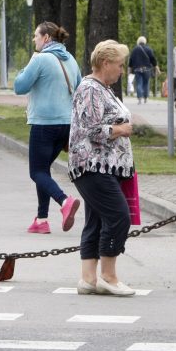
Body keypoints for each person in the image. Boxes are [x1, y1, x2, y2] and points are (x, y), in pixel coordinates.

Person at [68, 39, 136, 297]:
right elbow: (92, 129)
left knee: (96, 220)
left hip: (104, 166)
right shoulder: (90, 89)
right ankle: (108, 276)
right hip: (93, 164)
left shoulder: (102, 88)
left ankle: (88, 278)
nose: (122, 71)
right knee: (118, 217)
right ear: (105, 63)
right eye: (119, 65)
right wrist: (121, 129)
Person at [14, 21, 83, 234]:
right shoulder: (71, 59)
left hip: (44, 124)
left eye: (36, 35)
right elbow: (79, 89)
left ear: (46, 38)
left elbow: (19, 86)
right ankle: (41, 220)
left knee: (37, 172)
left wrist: (30, 63)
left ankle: (64, 202)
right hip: (66, 125)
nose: (34, 39)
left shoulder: (41, 58)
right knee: (44, 171)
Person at [127, 36, 158, 104]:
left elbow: (131, 60)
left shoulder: (134, 50)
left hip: (137, 69)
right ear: (145, 42)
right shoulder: (148, 49)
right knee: (146, 83)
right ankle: (146, 98)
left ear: (138, 42)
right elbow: (153, 59)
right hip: (147, 69)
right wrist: (156, 67)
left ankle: (140, 98)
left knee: (139, 83)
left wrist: (129, 70)